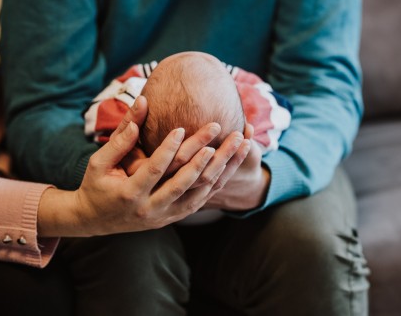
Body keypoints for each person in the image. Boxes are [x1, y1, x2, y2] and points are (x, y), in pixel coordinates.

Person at [0, 0, 369, 315]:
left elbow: (323, 88)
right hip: (105, 152)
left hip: (270, 152)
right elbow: (45, 105)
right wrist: (109, 173)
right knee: (130, 266)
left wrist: (267, 178)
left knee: (312, 254)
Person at [0, 0, 248, 315]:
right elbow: (49, 105)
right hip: (0, 172)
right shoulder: (126, 95)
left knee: (310, 246)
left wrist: (264, 179)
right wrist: (84, 204)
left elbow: (313, 85)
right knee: (52, 291)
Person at [85, 51, 293, 224]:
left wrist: (126, 154)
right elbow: (281, 106)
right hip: (225, 209)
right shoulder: (256, 117)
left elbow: (94, 116)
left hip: (147, 204)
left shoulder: (128, 104)